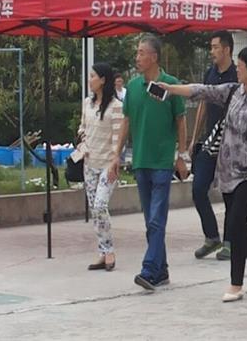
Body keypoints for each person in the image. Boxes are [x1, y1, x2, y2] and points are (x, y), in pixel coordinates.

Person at [158, 45, 247, 302]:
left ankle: (236, 284)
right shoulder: (233, 91)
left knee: (234, 225)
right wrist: (171, 89)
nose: (237, 69)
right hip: (228, 171)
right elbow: (202, 90)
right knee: (239, 225)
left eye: (241, 65)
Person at [111, 34, 189, 291]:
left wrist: (181, 155)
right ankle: (161, 269)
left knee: (156, 219)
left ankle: (148, 269)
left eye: (141, 53)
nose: (137, 57)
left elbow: (180, 120)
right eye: (137, 52)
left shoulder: (171, 85)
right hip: (141, 160)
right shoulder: (133, 87)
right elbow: (126, 122)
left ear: (154, 57)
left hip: (163, 162)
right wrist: (117, 154)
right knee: (150, 221)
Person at [191, 30, 238, 261]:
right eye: (211, 47)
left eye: (215, 47)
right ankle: (211, 237)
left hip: (231, 145)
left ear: (227, 49)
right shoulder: (210, 73)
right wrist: (194, 137)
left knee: (230, 194)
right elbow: (203, 103)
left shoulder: (237, 75)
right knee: (198, 189)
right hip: (209, 142)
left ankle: (230, 241)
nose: (212, 52)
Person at [78, 63, 123, 272]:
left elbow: (118, 138)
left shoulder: (116, 106)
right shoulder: (87, 103)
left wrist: (115, 160)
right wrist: (82, 144)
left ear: (103, 80)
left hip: (107, 165)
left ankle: (109, 250)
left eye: (93, 76)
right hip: (89, 163)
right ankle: (103, 251)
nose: (90, 80)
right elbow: (82, 128)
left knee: (100, 206)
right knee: (94, 210)